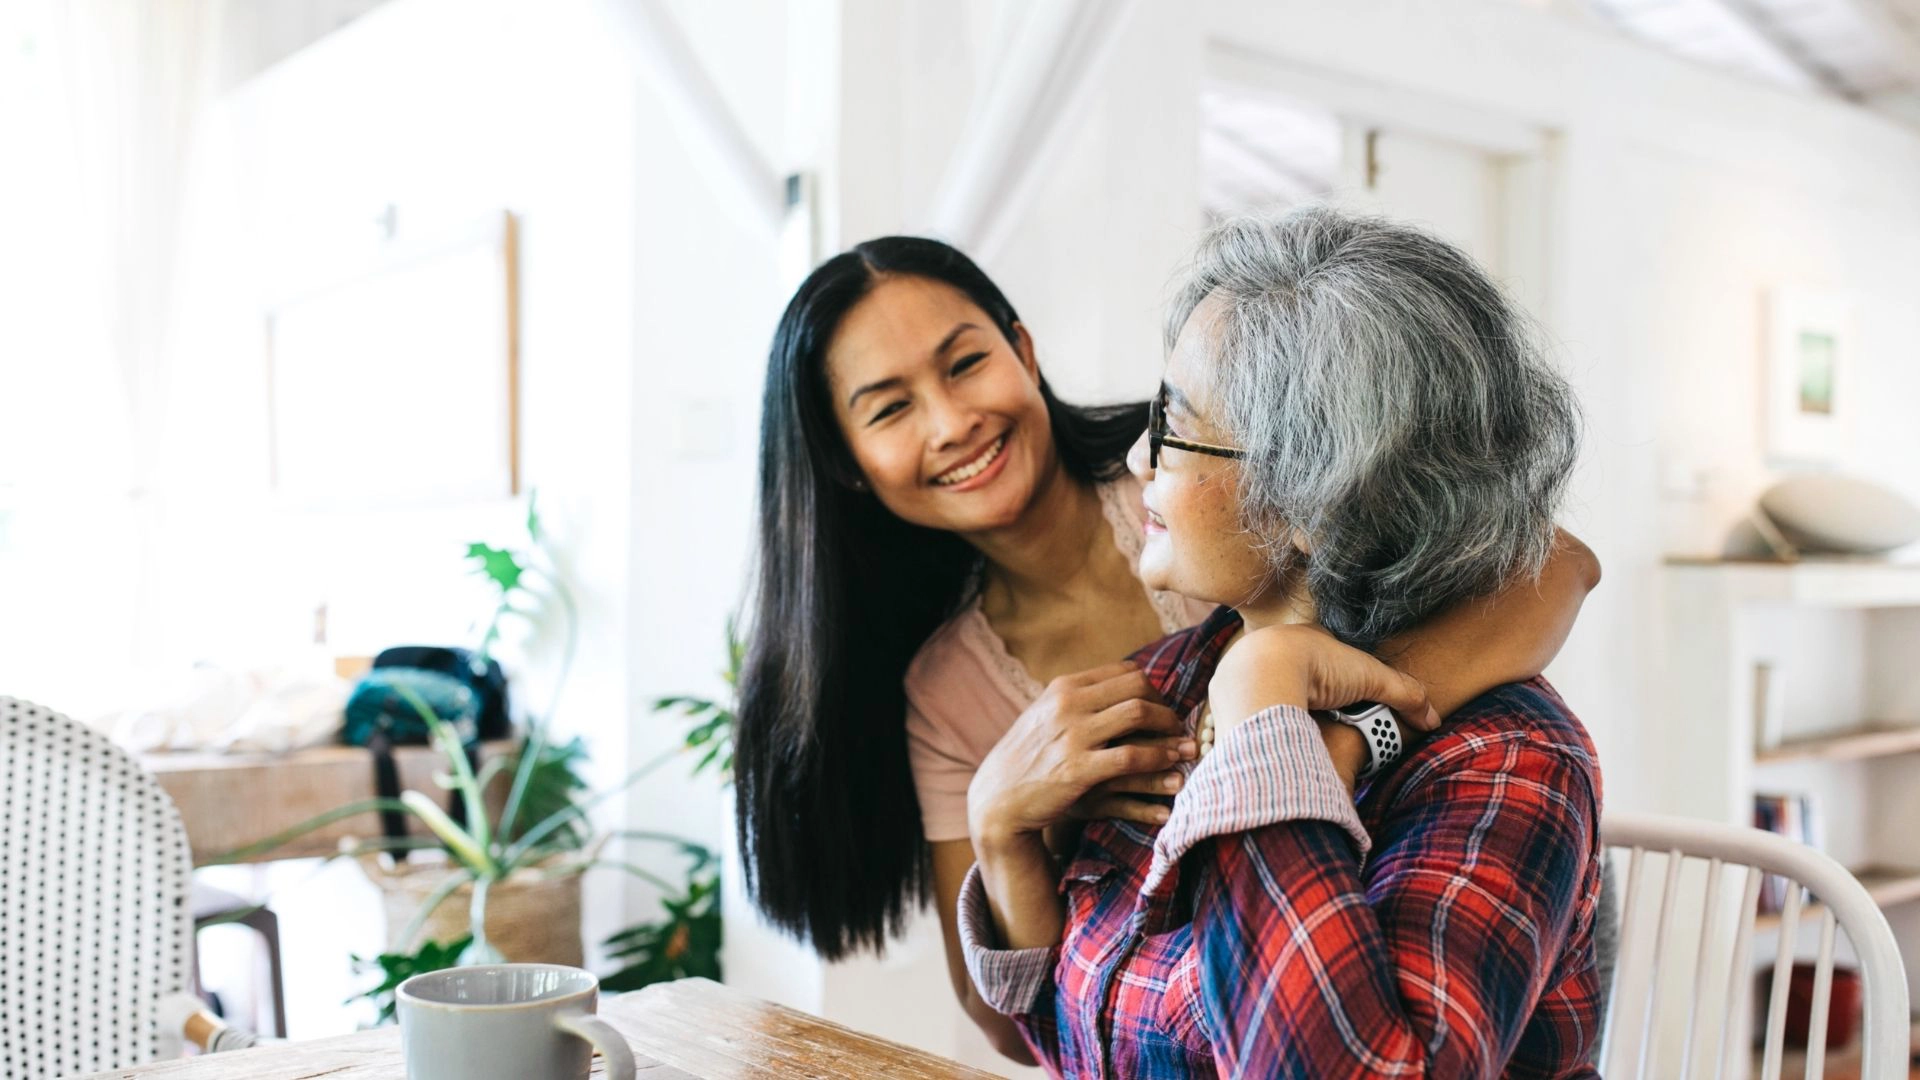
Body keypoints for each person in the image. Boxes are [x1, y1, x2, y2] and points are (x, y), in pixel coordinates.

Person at [733, 234, 1601, 1062]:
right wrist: (1000, 826)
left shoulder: (1209, 520)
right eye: (890, 407)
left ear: (1022, 350)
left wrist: (1325, 726)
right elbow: (1041, 1031)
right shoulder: (970, 678)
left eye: (965, 363)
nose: (952, 420)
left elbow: (1549, 562)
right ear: (845, 460)